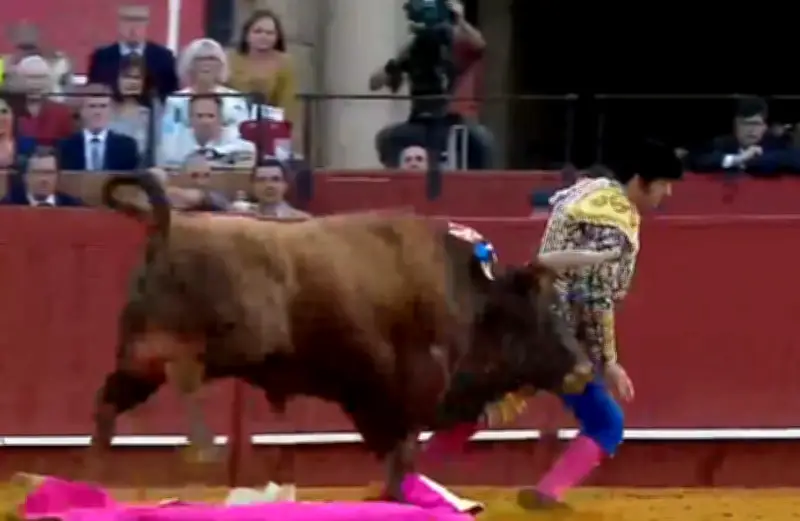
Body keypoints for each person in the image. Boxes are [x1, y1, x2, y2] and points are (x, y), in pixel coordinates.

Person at [417, 139, 683, 510]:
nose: (666, 194)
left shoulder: (590, 190)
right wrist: (608, 361)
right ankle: (548, 493)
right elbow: (595, 296)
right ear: (641, 181)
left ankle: (407, 479)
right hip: (557, 340)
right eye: (664, 185)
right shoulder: (616, 223)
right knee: (606, 422)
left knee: (482, 405)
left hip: (523, 319)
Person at [161, 39, 249, 142]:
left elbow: (243, 135)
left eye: (212, 59)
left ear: (221, 65)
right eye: (199, 59)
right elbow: (168, 136)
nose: (206, 64)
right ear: (189, 64)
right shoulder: (175, 101)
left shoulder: (236, 99)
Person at [87, 4, 178, 100]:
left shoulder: (164, 58)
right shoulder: (102, 58)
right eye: (128, 20)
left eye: (139, 21)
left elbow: (171, 95)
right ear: (119, 23)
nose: (133, 27)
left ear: (147, 23)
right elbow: (93, 93)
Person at [227, 10, 298, 128]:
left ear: (277, 37)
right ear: (246, 34)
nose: (263, 36)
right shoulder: (231, 59)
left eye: (269, 33)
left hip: (269, 125)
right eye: (257, 31)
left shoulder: (284, 63)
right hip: (232, 123)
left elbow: (287, 103)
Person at [58, 84, 140, 171]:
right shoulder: (66, 147)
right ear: (81, 111)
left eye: (103, 106)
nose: (97, 112)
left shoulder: (126, 147)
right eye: (92, 106)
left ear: (111, 111)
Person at [109, 54, 158, 155]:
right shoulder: (104, 109)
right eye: (126, 77)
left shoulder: (152, 113)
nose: (132, 83)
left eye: (136, 78)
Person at [1, 146, 83, 207]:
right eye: (37, 173)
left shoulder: (73, 206)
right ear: (25, 177)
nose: (44, 179)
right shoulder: (8, 206)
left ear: (57, 176)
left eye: (49, 173)